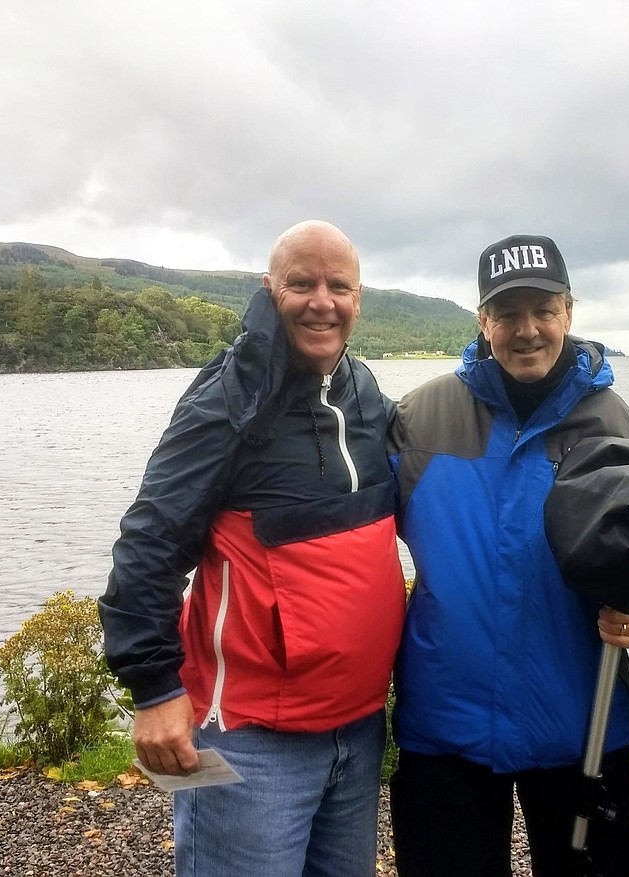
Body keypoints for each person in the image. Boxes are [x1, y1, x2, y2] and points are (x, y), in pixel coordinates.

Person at [98, 220, 406, 877]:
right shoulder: (227, 398)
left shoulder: (366, 392)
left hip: (357, 726)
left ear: (360, 298)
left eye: (338, 286)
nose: (321, 301)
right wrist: (153, 687)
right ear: (270, 290)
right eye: (301, 283)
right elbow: (149, 539)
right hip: (248, 736)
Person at [387, 233, 629, 877]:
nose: (526, 330)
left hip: (579, 726)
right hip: (446, 727)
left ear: (569, 312)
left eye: (543, 310)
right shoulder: (420, 418)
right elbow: (347, 539)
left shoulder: (612, 421)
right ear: (483, 321)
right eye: (507, 313)